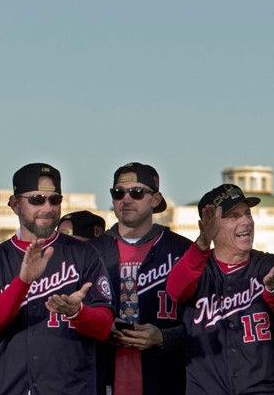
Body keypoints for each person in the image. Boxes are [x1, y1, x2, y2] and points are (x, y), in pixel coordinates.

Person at [0, 163, 115, 395]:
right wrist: (23, 282)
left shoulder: (84, 254)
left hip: (71, 388)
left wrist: (78, 312)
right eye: (37, 199)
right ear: (15, 204)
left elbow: (104, 326)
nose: (47, 208)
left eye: (54, 200)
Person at [165, 183, 274, 395]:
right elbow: (175, 290)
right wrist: (201, 243)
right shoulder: (195, 267)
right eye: (234, 216)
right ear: (211, 225)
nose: (246, 221)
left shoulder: (271, 265)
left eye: (247, 213)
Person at [91, 162, 193, 395]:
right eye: (118, 193)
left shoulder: (182, 251)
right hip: (103, 375)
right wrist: (100, 328)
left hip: (165, 378)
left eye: (136, 193)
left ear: (155, 199)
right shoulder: (91, 252)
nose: (126, 199)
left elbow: (206, 323)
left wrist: (164, 337)